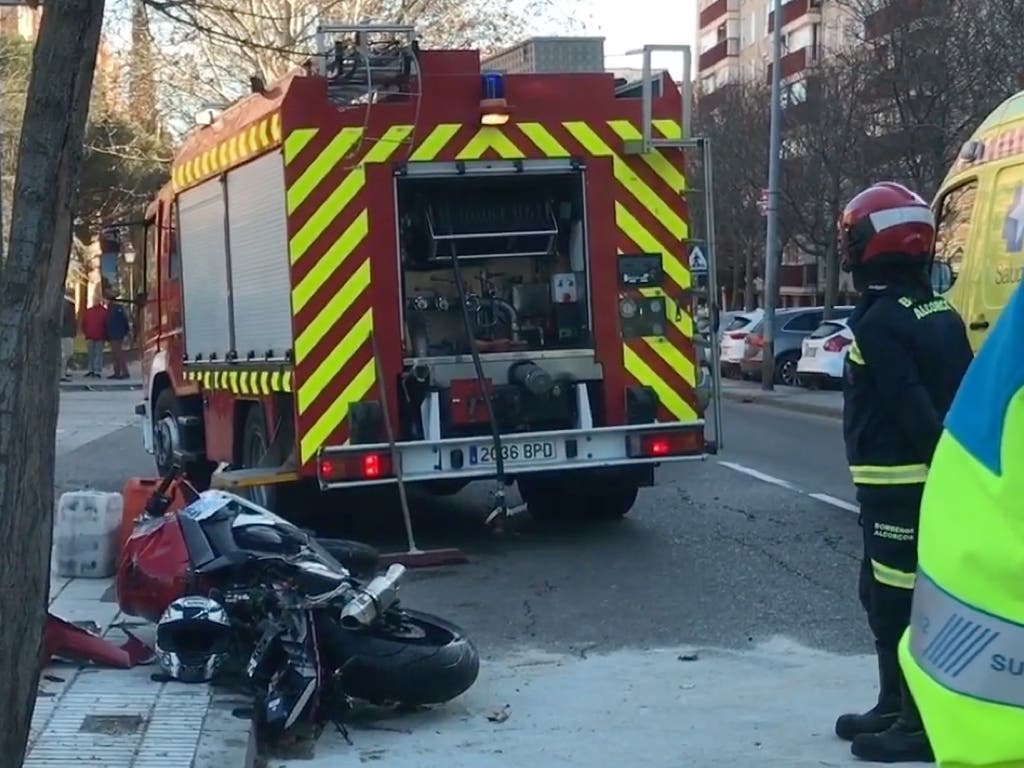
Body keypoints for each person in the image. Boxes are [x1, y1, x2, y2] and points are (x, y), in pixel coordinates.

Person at [833, 182, 973, 762]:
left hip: (901, 489)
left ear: (873, 242)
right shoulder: (938, 309)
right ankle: (894, 703)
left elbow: (910, 403)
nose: (846, 247)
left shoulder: (882, 320)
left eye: (851, 236)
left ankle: (915, 726)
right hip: (916, 487)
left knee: (899, 604)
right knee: (881, 594)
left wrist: (939, 470)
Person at [898, 279, 1024, 766]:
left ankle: (901, 716)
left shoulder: (882, 320)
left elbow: (901, 394)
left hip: (981, 720)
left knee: (886, 594)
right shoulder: (936, 314)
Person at [81, 297, 108, 378]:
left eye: (96, 300)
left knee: (98, 354)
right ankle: (91, 370)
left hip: (100, 336)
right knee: (91, 354)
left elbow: (106, 324)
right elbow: (84, 323)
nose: (94, 302)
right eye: (94, 300)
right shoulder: (89, 311)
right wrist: (86, 332)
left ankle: (97, 370)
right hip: (90, 336)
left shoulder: (103, 312)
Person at [105, 297, 131, 379]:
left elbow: (123, 321)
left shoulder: (114, 309)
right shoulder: (114, 309)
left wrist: (125, 332)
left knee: (118, 354)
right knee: (115, 354)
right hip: (115, 334)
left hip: (116, 334)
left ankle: (124, 372)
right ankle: (117, 372)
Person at [60, 292, 76, 381]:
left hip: (67, 332)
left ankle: (63, 372)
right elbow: (63, 318)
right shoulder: (67, 304)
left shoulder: (67, 304)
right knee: (66, 354)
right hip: (66, 333)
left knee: (67, 353)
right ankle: (62, 374)